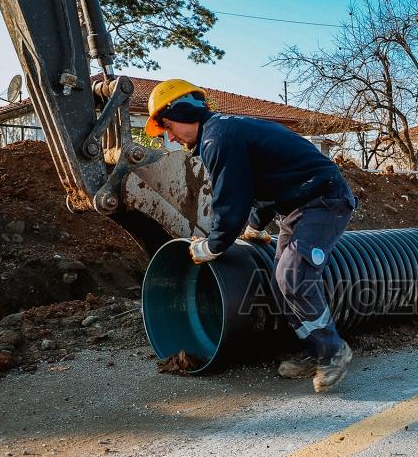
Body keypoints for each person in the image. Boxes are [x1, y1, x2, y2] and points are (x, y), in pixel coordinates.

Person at [145, 79, 357, 393]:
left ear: (183, 111)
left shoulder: (217, 140)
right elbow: (262, 183)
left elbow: (231, 199)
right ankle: (315, 350)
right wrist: (256, 227)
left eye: (168, 125)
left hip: (324, 200)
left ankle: (333, 350)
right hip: (296, 206)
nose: (170, 136)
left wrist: (213, 245)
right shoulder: (222, 132)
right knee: (280, 282)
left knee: (294, 277)